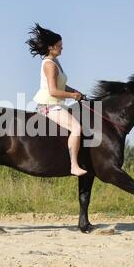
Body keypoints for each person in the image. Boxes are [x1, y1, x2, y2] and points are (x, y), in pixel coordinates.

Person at [26, 23, 88, 176]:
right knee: (76, 128)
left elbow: (62, 85)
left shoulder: (56, 62)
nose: (62, 48)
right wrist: (73, 96)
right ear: (51, 47)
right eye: (59, 45)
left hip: (56, 105)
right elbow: (53, 91)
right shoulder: (49, 65)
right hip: (49, 106)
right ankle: (73, 165)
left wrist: (75, 91)